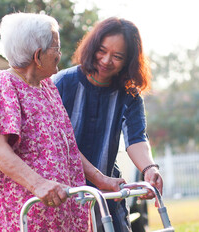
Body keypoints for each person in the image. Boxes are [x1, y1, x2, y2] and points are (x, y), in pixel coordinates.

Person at [0, 12, 124, 231]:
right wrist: (38, 183)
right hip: (21, 219)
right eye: (56, 47)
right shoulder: (3, 85)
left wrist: (101, 179)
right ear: (38, 55)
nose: (60, 53)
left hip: (59, 217)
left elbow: (68, 148)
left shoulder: (47, 88)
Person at [53, 17, 163, 231]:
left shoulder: (129, 95)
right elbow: (57, 143)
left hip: (109, 190)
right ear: (92, 46)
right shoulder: (61, 83)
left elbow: (136, 138)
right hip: (64, 192)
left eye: (117, 56)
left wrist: (149, 169)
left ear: (129, 61)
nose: (106, 60)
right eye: (102, 51)